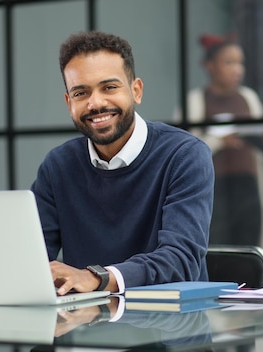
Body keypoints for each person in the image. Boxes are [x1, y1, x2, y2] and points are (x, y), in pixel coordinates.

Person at [31, 31, 215, 296]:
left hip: (172, 328)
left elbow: (181, 260)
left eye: (109, 87)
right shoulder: (58, 165)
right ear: (69, 102)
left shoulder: (184, 155)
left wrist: (98, 278)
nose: (96, 103)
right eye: (81, 93)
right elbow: (32, 261)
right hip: (86, 327)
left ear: (136, 90)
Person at [177, 34, 263, 250]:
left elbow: (260, 136)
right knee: (216, 242)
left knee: (249, 243)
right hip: (212, 186)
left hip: (247, 185)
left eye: (240, 63)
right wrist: (218, 141)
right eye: (229, 62)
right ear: (209, 66)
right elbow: (183, 149)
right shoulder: (195, 100)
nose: (237, 69)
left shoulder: (248, 98)